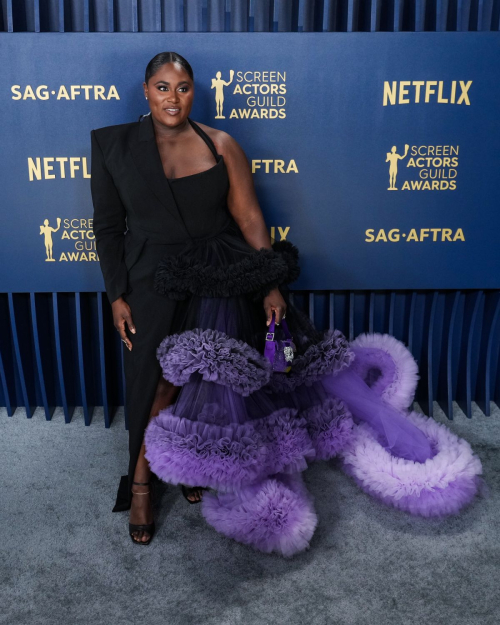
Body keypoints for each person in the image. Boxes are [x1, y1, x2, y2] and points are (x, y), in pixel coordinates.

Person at [91, 52, 485, 554]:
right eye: (163, 87)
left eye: (184, 87)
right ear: (146, 90)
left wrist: (270, 281)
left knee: (205, 381)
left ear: (195, 91)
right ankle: (143, 484)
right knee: (155, 385)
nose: (174, 98)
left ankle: (190, 465)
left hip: (220, 273)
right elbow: (107, 227)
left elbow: (251, 217)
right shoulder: (111, 145)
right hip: (151, 278)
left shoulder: (222, 143)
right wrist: (116, 294)